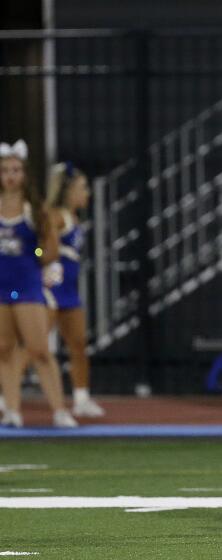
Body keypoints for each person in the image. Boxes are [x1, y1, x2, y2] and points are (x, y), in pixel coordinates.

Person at [0, 140, 77, 428]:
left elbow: (50, 249)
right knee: (4, 350)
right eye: (5, 170)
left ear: (24, 173)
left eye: (16, 170)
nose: (10, 176)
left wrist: (36, 253)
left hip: (27, 287)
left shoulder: (34, 210)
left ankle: (59, 410)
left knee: (39, 349)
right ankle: (12, 410)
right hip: (1, 287)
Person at [40, 162, 105, 418]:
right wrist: (42, 259)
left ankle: (81, 398)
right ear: (68, 191)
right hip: (51, 289)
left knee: (78, 344)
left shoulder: (73, 218)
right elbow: (38, 247)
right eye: (82, 188)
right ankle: (5, 397)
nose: (86, 193)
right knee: (33, 347)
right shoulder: (54, 215)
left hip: (70, 292)